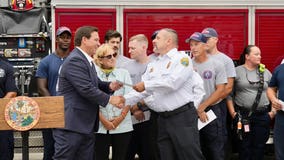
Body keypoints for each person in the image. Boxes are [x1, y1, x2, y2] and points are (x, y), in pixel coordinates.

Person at [125, 28, 205, 160]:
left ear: (168, 41)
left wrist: (192, 110)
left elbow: (172, 83)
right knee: (165, 155)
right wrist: (123, 100)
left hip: (181, 117)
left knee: (189, 155)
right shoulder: (154, 64)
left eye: (158, 38)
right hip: (162, 119)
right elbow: (143, 91)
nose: (154, 41)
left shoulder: (182, 59)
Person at [52, 26, 125, 160]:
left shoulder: (86, 60)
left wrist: (110, 85)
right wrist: (110, 100)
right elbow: (86, 88)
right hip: (72, 125)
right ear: (84, 40)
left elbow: (95, 83)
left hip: (84, 125)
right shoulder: (76, 60)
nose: (99, 43)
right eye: (96, 40)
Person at [227, 45, 274, 160]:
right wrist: (233, 113)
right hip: (243, 115)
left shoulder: (265, 71)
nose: (260, 56)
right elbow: (229, 94)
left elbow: (273, 91)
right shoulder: (237, 71)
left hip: (263, 115)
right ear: (247, 56)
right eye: (256, 54)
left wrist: (273, 112)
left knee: (259, 147)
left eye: (260, 54)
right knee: (244, 146)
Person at [187, 32, 227, 160]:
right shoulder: (186, 65)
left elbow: (220, 90)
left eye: (196, 44)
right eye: (191, 45)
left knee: (215, 148)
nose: (193, 48)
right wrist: (197, 109)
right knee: (195, 148)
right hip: (191, 111)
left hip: (211, 111)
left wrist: (202, 107)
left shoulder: (217, 64)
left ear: (205, 46)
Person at [35, 26, 72, 160]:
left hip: (71, 112)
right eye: (62, 37)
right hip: (51, 112)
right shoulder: (46, 61)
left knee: (69, 148)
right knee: (50, 149)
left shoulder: (74, 60)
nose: (65, 40)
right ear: (56, 39)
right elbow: (41, 88)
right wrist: (54, 107)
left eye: (68, 38)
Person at [93, 44, 133, 160]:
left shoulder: (124, 73)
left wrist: (118, 120)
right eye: (109, 56)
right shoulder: (93, 76)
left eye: (114, 55)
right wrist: (104, 121)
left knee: (121, 157)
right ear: (100, 59)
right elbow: (92, 100)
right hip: (100, 126)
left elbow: (130, 98)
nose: (113, 58)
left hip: (122, 125)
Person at [201, 27, 236, 157]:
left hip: (216, 107)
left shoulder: (225, 60)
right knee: (200, 142)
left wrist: (207, 104)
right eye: (203, 39)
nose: (205, 41)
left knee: (216, 142)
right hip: (198, 107)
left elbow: (228, 88)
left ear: (216, 40)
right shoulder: (197, 59)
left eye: (208, 38)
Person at [124, 34, 157, 160]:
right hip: (128, 118)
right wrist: (133, 109)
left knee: (149, 153)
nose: (129, 51)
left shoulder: (155, 66)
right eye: (129, 48)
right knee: (127, 152)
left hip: (149, 118)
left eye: (133, 48)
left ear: (144, 47)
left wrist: (138, 106)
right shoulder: (126, 67)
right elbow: (123, 91)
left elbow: (156, 92)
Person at [0, 58, 18, 160]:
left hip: (2, 118)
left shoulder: (7, 67)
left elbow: (12, 92)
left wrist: (0, 106)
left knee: (5, 152)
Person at [267, 62, 284, 160]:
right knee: (280, 152)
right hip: (281, 117)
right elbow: (270, 89)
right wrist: (274, 100)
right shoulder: (279, 69)